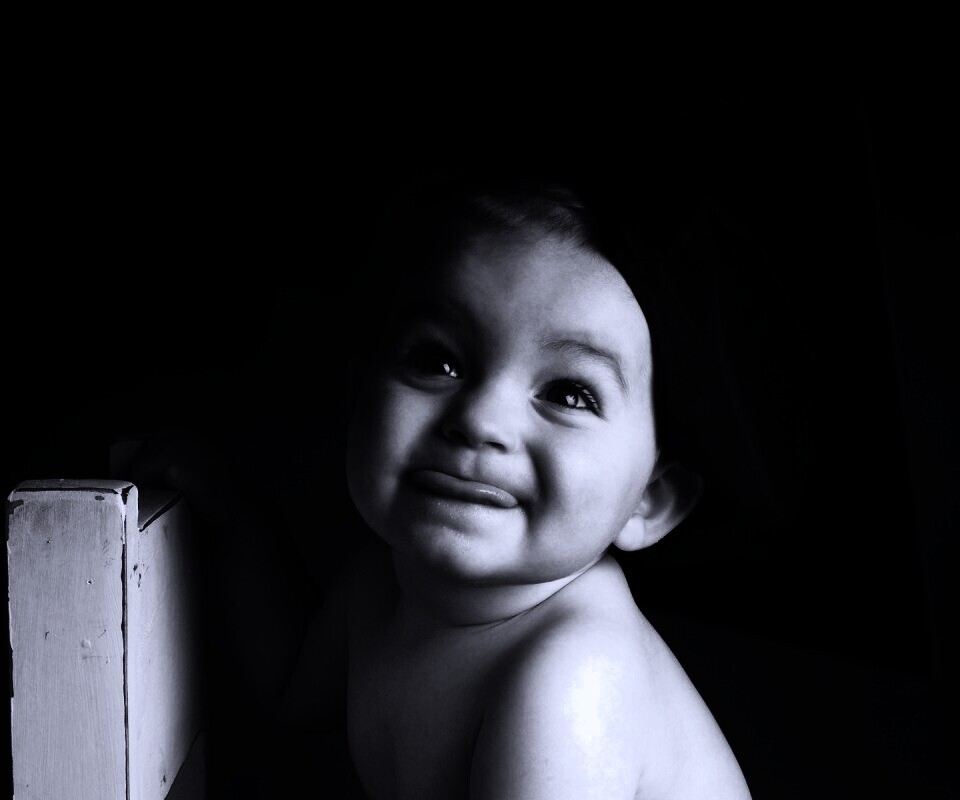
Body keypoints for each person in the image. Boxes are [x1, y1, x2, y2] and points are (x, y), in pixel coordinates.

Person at [129, 169, 753, 799]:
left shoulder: (571, 679)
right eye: (439, 361)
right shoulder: (383, 583)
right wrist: (239, 520)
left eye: (568, 394)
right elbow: (292, 682)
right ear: (360, 397)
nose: (481, 419)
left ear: (649, 500)